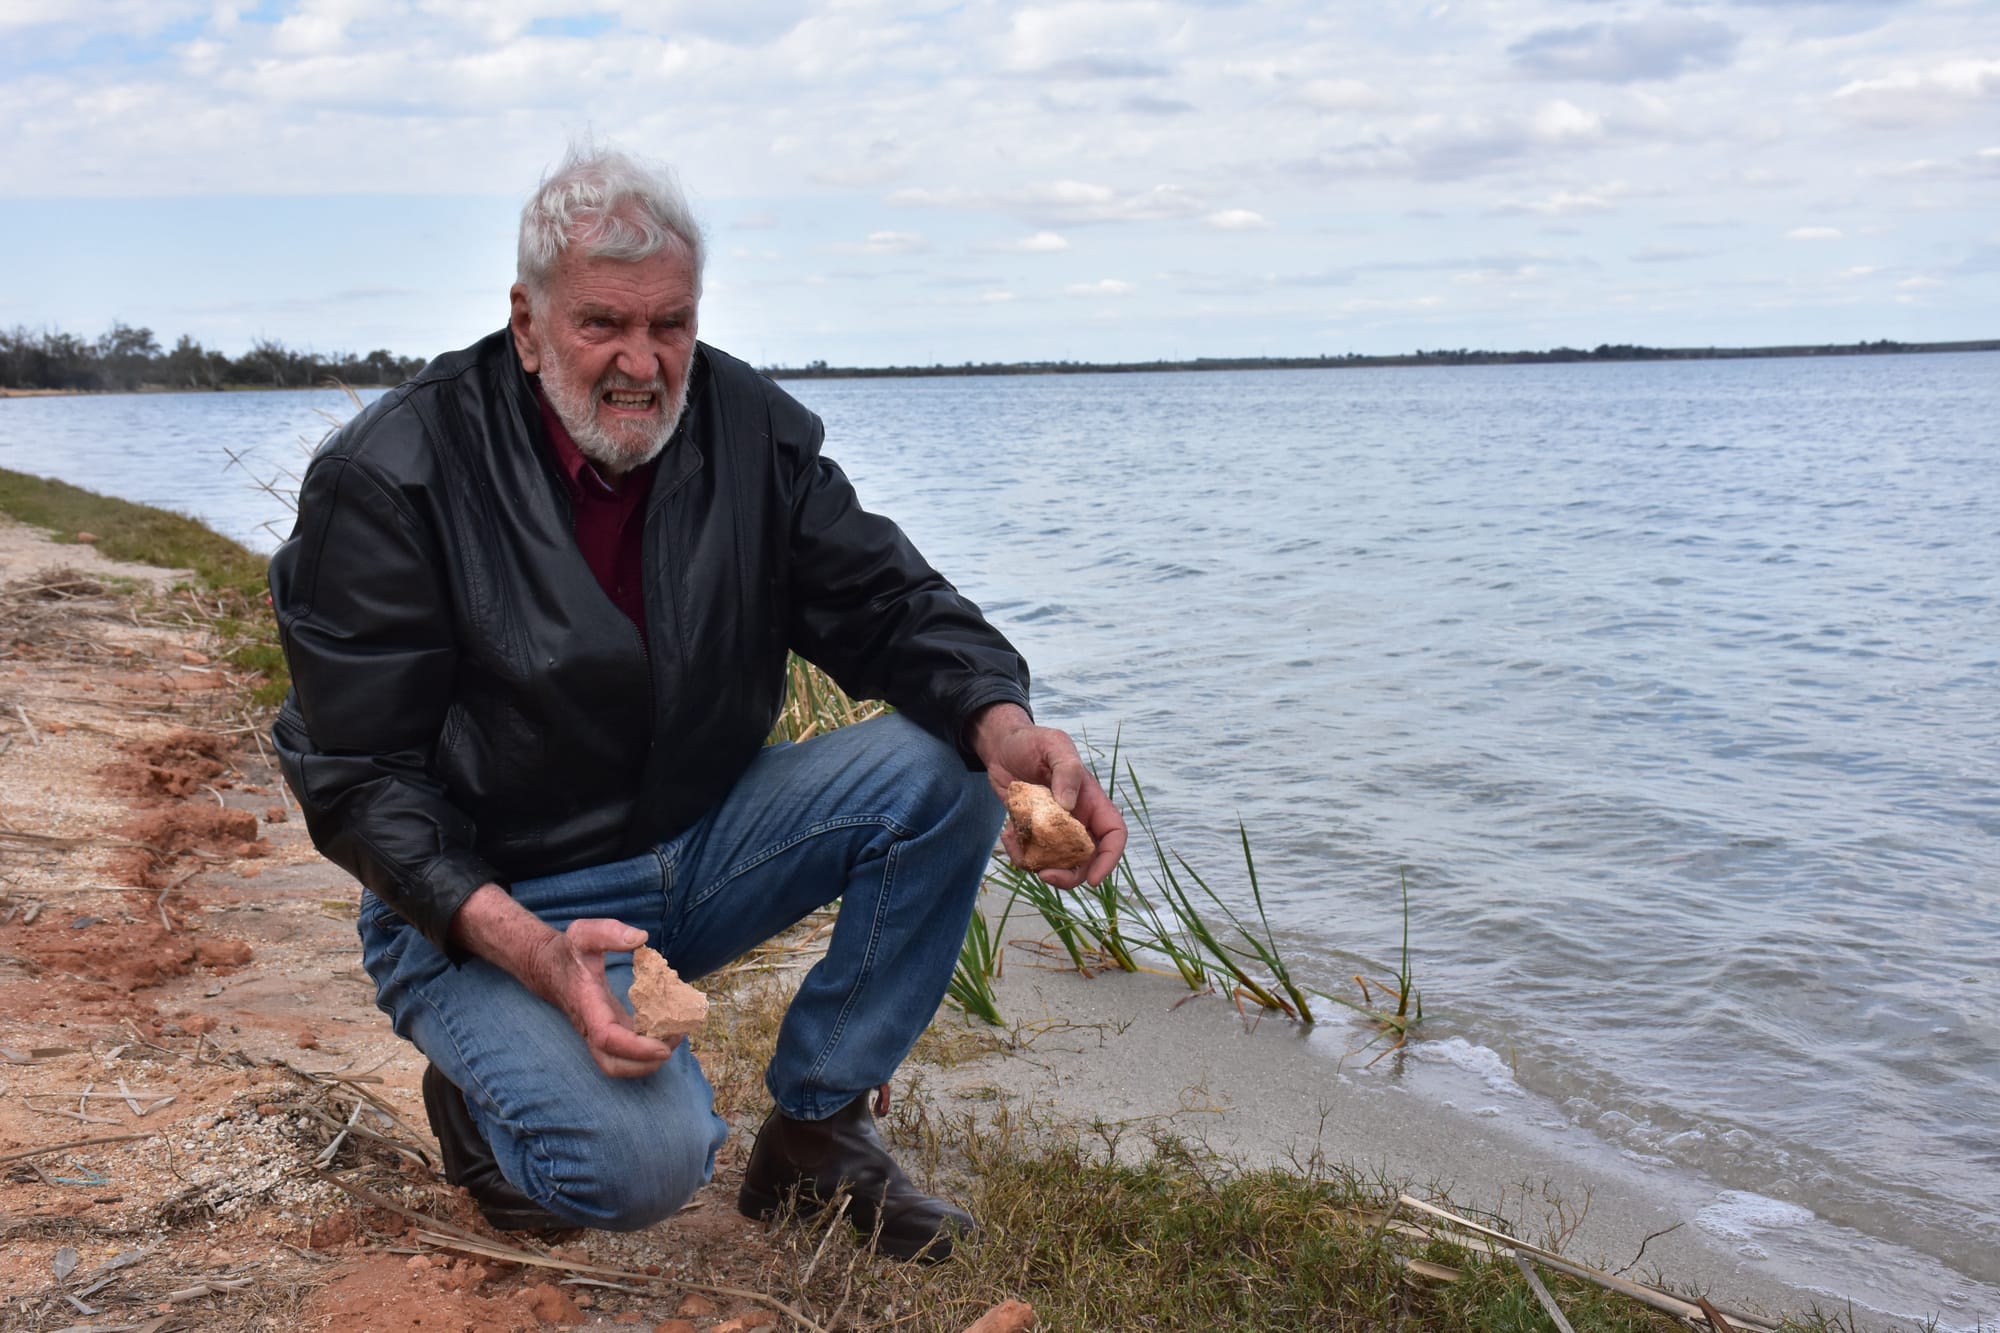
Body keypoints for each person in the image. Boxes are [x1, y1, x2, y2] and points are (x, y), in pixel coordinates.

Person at [267, 142, 1125, 1262]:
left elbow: (889, 606)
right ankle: (482, 1101)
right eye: (602, 325)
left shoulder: (746, 427)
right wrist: (532, 954)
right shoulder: (390, 474)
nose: (643, 361)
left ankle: (818, 1134)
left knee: (944, 766)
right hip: (487, 905)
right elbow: (356, 783)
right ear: (526, 324)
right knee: (640, 1170)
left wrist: (1012, 736)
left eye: (669, 324)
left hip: (697, 851)